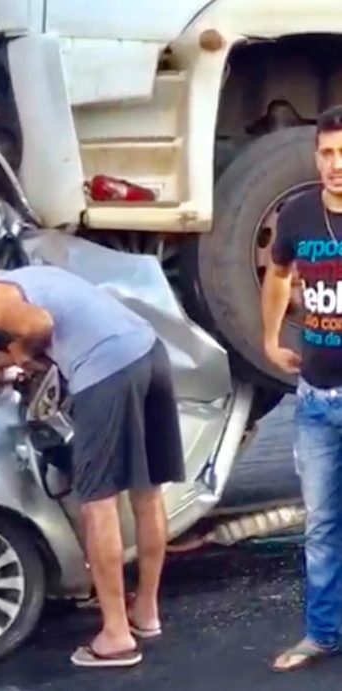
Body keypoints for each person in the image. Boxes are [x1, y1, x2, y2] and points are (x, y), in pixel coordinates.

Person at [0, 259, 185, 669]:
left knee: (98, 504)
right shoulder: (25, 278)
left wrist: (22, 349)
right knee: (146, 492)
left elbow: (38, 325)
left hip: (106, 370)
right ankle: (146, 612)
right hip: (147, 351)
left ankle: (116, 635)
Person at [262, 105, 342, 672]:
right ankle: (323, 634)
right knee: (321, 527)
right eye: (328, 153)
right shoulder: (298, 213)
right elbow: (278, 273)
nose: (337, 164)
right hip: (315, 400)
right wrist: (269, 340)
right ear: (316, 156)